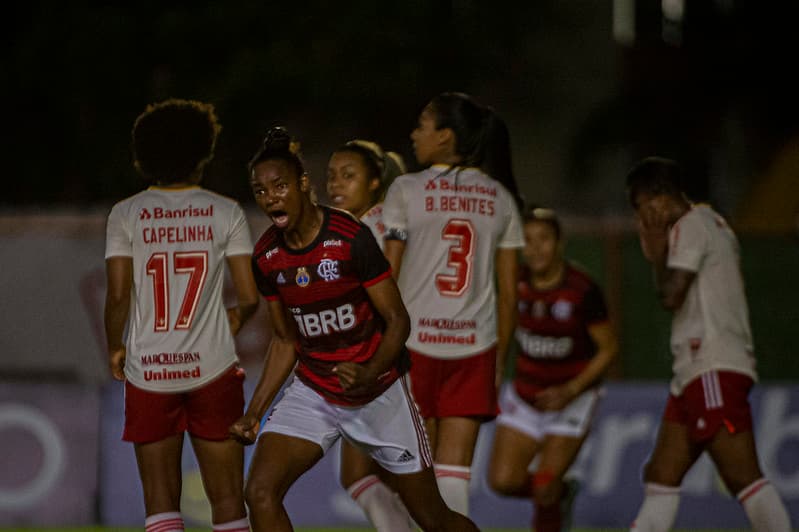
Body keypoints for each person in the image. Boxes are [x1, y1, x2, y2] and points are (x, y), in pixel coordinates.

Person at [228, 126, 479, 532]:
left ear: (303, 184)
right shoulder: (267, 256)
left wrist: (369, 371)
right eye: (260, 190)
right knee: (259, 492)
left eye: (280, 186)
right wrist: (254, 414)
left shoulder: (350, 237)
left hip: (379, 392)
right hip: (315, 390)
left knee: (433, 518)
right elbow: (285, 339)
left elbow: (397, 320)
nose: (270, 197)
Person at [104, 98, 258, 532]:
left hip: (150, 368)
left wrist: (116, 346)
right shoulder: (226, 210)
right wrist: (233, 320)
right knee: (228, 501)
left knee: (160, 503)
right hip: (213, 368)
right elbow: (250, 296)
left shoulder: (126, 213)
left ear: (143, 154)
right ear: (203, 151)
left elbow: (118, 296)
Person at [626, 156, 791, 532]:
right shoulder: (712, 222)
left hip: (711, 364)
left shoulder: (690, 225)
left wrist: (656, 252)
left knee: (742, 476)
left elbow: (672, 295)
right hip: (695, 369)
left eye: (640, 207)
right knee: (661, 474)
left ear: (659, 198)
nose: (641, 219)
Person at [382, 91, 525, 517]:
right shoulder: (500, 198)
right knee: (453, 474)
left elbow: (387, 276)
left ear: (445, 136)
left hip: (414, 347)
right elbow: (510, 293)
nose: (414, 134)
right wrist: (499, 359)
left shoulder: (406, 189)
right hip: (474, 348)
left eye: (422, 125)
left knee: (414, 474)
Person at [487, 206, 618, 531]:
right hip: (525, 396)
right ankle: (562, 494)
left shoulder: (582, 289)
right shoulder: (515, 284)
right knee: (502, 481)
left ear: (559, 243)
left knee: (544, 484)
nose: (535, 248)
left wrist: (571, 389)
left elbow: (609, 348)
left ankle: (552, 495)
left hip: (572, 399)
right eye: (528, 240)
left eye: (543, 239)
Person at [327, 139, 416, 531]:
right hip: (398, 357)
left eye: (348, 176)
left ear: (375, 182)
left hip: (381, 360)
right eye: (332, 176)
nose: (335, 185)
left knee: (362, 475)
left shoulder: (365, 230)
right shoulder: (385, 223)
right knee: (380, 476)